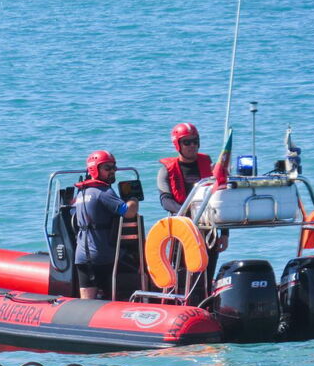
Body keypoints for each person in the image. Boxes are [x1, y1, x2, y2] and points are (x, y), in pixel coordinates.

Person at [157, 123, 228, 295]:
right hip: (182, 231)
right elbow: (165, 200)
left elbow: (222, 200)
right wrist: (187, 216)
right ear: (178, 145)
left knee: (207, 271)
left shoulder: (209, 167)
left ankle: (206, 303)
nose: (192, 146)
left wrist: (224, 233)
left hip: (207, 231)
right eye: (187, 142)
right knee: (182, 274)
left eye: (195, 141)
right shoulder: (166, 172)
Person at [74, 150, 140, 300]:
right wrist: (133, 199)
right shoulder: (103, 192)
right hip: (102, 256)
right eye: (107, 168)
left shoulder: (81, 193)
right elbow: (128, 212)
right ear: (94, 169)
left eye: (114, 167)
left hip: (82, 256)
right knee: (112, 297)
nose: (112, 171)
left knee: (86, 300)